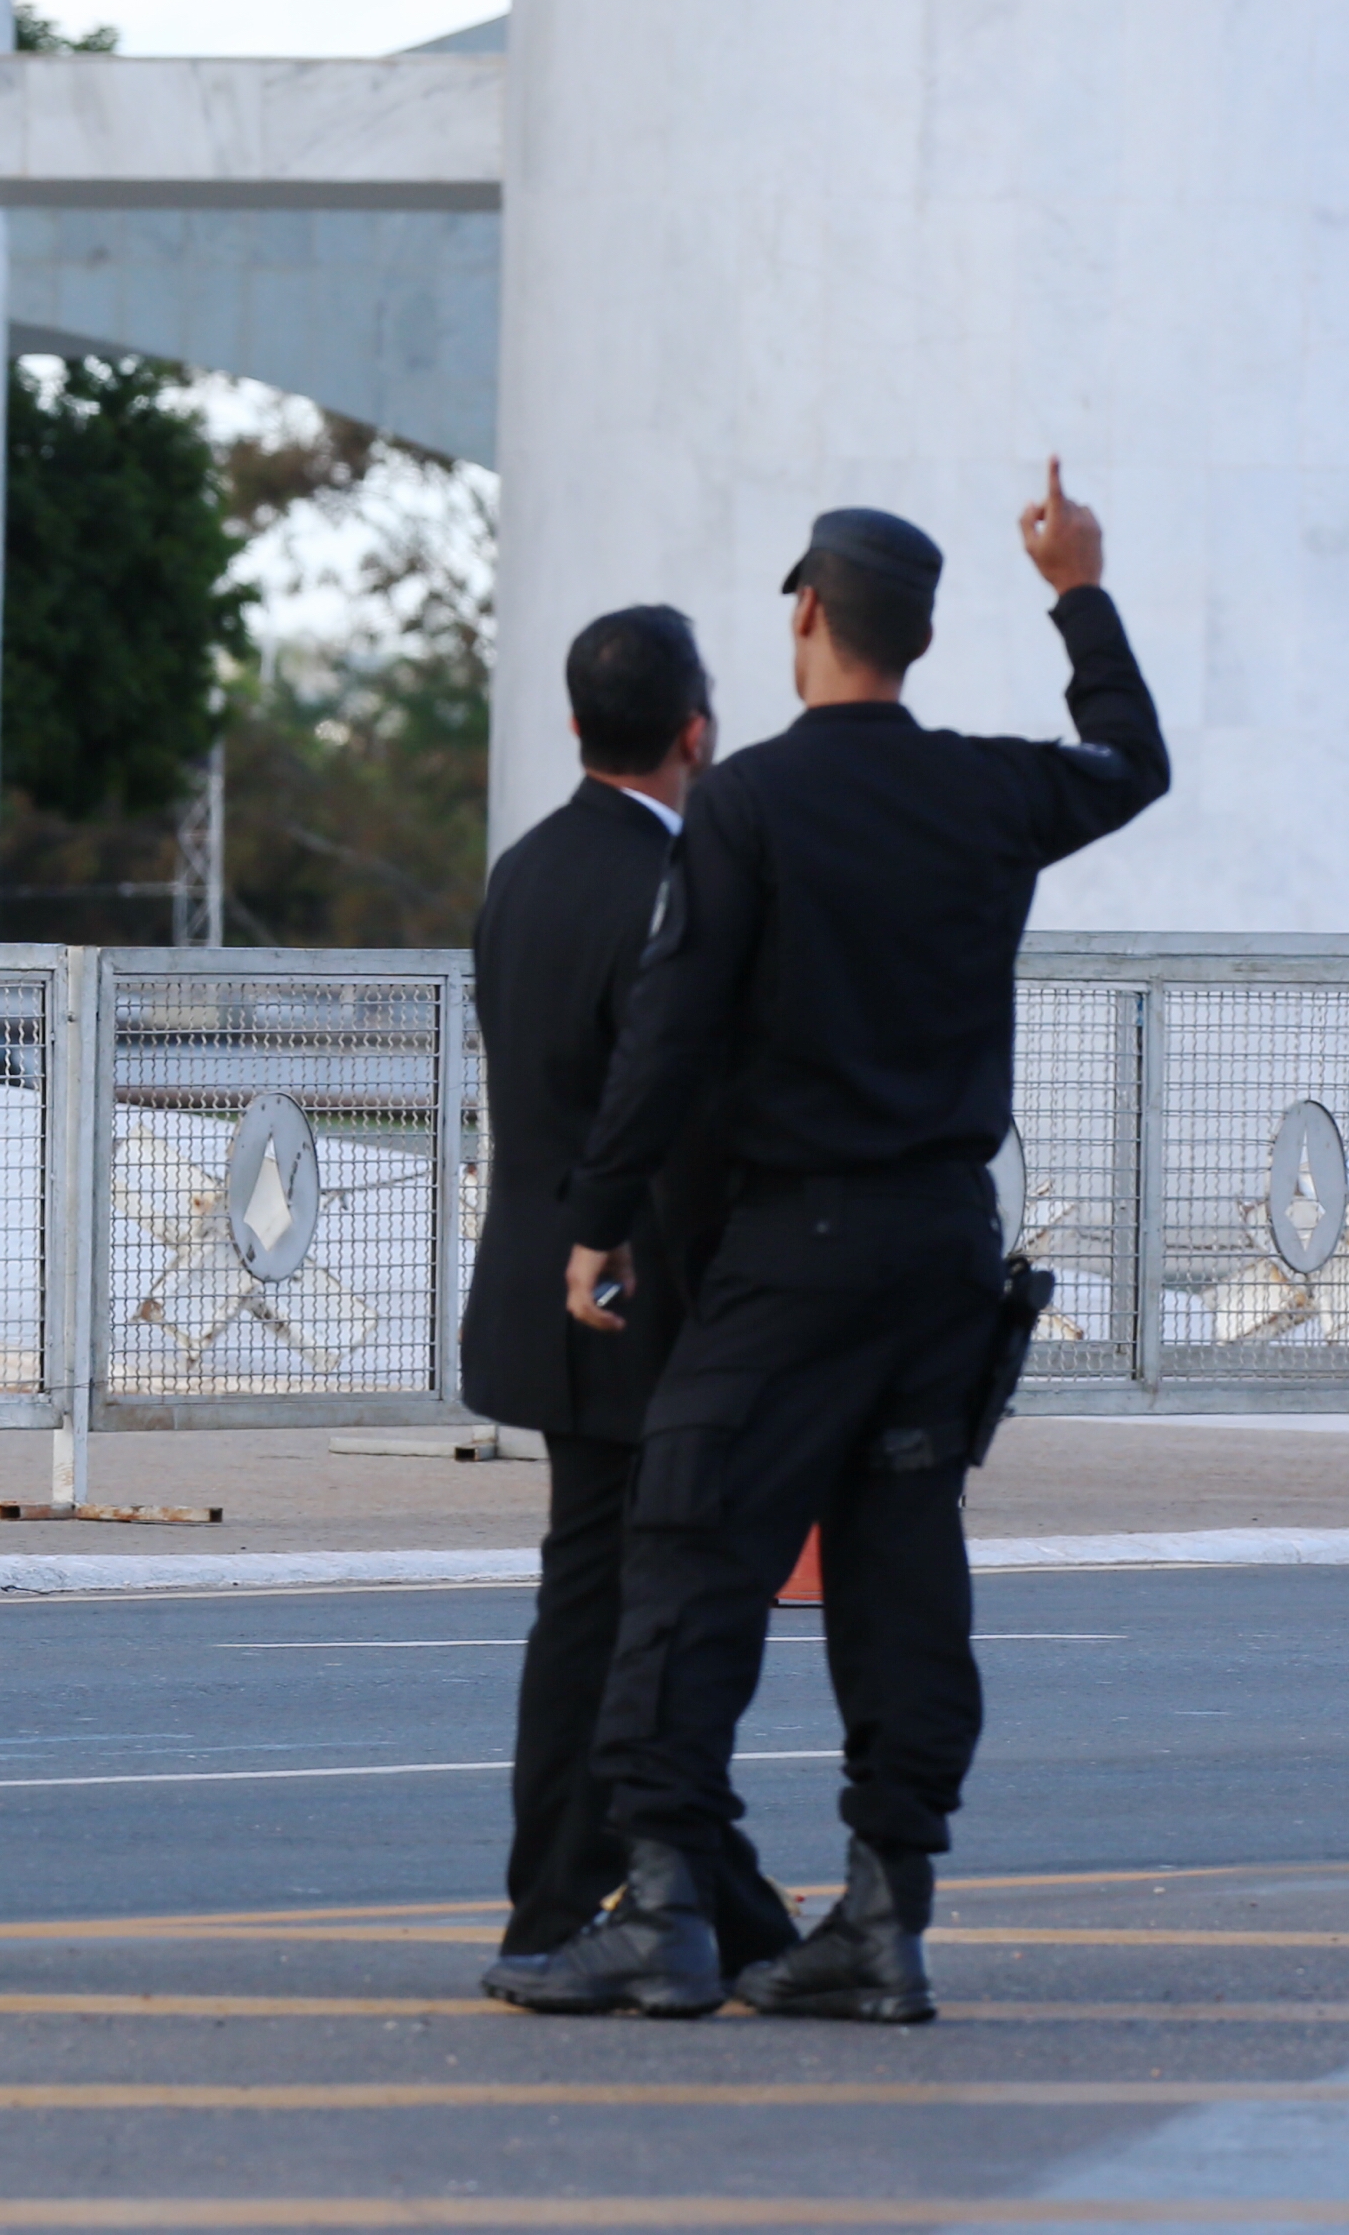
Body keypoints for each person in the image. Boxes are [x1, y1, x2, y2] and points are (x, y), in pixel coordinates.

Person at [496, 467, 1166, 2025]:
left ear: (805, 613)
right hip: (945, 1248)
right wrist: (1078, 585)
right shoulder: (989, 792)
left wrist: (596, 1222)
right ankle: (884, 1915)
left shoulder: (747, 804)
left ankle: (662, 1907)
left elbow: (671, 1033)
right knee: (900, 1568)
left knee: (685, 1542)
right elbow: (1132, 759)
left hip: (796, 1246)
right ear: (920, 636)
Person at [459, 606, 798, 1996]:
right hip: (632, 1293)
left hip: (542, 1286)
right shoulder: (673, 887)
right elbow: (676, 1105)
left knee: (593, 1603)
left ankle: (667, 1894)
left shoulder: (525, 869)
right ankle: (574, 1901)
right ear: (696, 732)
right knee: (634, 1618)